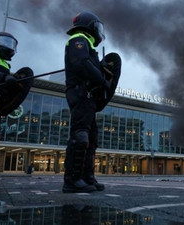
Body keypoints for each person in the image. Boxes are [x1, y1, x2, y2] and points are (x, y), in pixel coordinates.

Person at [63, 11, 121, 193]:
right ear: (90, 25)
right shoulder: (78, 39)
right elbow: (81, 64)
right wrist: (102, 80)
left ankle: (87, 177)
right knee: (80, 137)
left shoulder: (87, 44)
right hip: (80, 95)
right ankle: (72, 180)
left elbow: (89, 65)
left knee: (91, 140)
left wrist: (102, 71)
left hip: (88, 99)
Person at [0, 32, 33, 180]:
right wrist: (4, 77)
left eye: (11, 44)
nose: (8, 47)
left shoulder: (5, 64)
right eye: (5, 42)